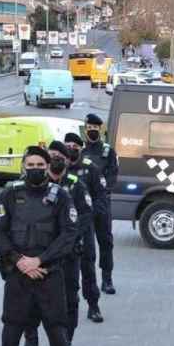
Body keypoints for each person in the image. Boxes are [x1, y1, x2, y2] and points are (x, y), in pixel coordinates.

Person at [0, 146, 76, 346]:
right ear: (23, 166)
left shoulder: (60, 196)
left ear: (48, 167)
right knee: (11, 334)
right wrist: (20, 262)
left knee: (57, 336)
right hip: (18, 277)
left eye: (41, 165)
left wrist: (39, 261)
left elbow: (68, 235)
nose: (36, 169)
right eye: (31, 165)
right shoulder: (10, 194)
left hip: (49, 276)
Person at [20, 141, 92, 346]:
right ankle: (31, 342)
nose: (56, 159)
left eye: (60, 155)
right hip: (37, 257)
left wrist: (66, 241)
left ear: (66, 159)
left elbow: (85, 216)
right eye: (52, 155)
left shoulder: (75, 184)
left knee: (69, 300)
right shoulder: (31, 186)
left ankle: (66, 342)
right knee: (29, 301)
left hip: (67, 256)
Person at [64, 132, 104, 322]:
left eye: (75, 146)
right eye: (67, 145)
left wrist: (90, 221)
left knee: (87, 268)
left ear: (81, 148)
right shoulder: (55, 170)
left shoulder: (90, 168)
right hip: (60, 234)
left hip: (83, 230)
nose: (71, 148)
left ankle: (93, 305)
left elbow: (99, 198)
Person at [82, 113, 118, 296]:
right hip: (83, 206)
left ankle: (107, 279)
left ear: (100, 130)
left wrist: (101, 191)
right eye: (90, 129)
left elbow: (112, 176)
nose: (93, 132)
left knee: (106, 242)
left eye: (96, 129)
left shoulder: (107, 151)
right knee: (86, 246)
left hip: (101, 203)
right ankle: (89, 281)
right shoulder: (79, 152)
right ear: (85, 129)